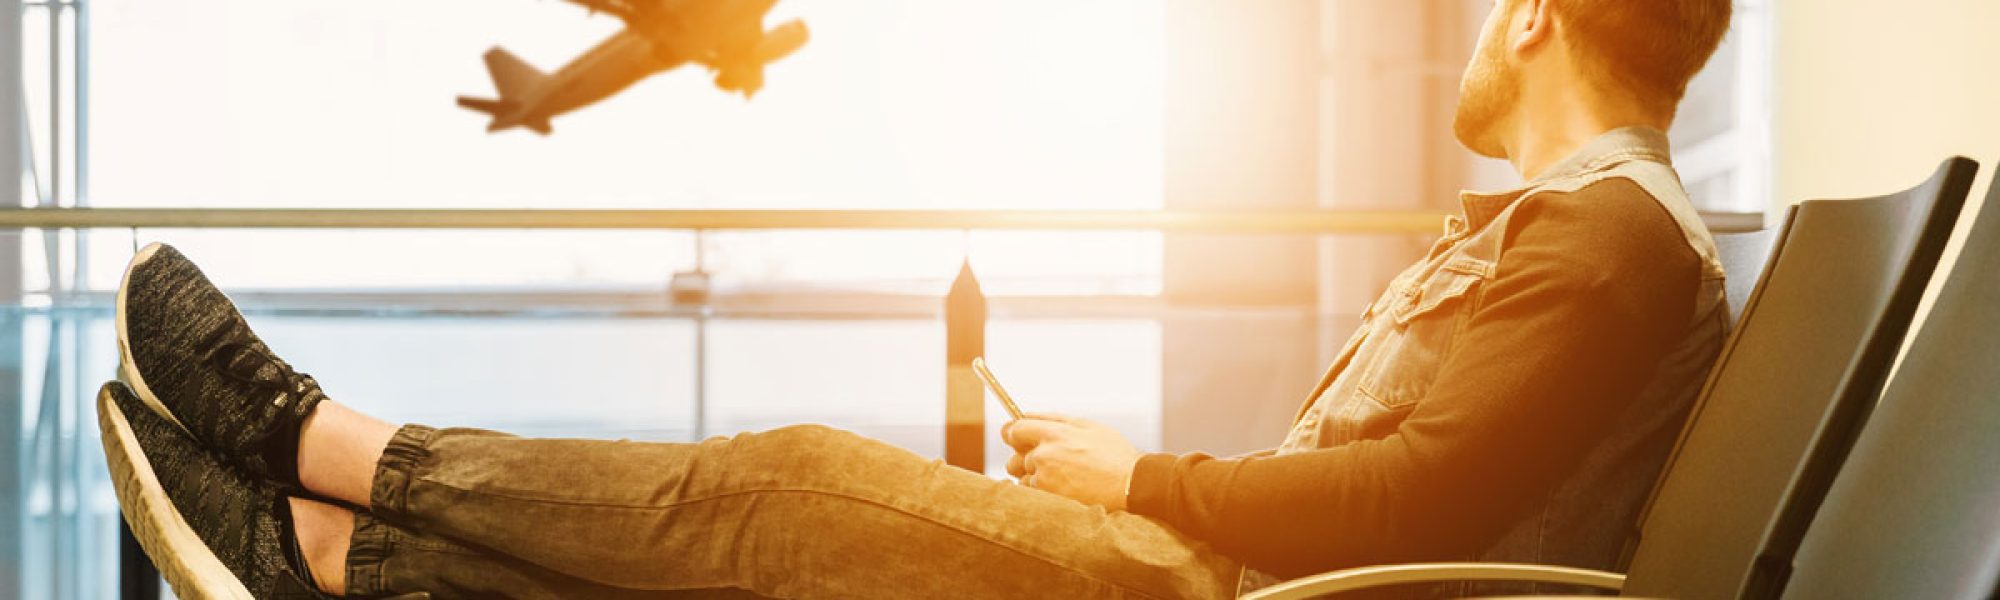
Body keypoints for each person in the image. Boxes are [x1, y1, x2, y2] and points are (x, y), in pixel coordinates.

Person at [101, 0, 1734, 597]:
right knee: (760, 550)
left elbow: (1417, 497)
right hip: (1239, 567)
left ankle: (316, 449)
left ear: (1529, 17)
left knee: (784, 492)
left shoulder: (1601, 249)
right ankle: (332, 555)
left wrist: (1142, 482)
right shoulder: (1584, 237)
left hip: (1234, 593)